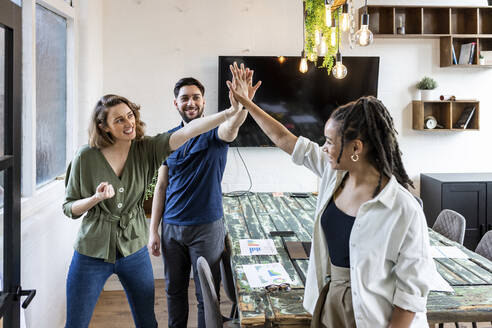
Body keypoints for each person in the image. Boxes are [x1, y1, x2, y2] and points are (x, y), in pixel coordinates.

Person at [227, 63, 438, 328]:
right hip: (330, 305)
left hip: (374, 318)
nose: (323, 148)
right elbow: (283, 138)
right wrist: (246, 103)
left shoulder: (403, 208)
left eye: (329, 141)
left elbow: (410, 297)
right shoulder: (334, 174)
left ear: (356, 148)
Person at [62, 93, 245, 328]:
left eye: (130, 116)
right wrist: (95, 198)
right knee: (75, 324)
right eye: (118, 120)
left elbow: (189, 131)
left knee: (147, 322)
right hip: (91, 252)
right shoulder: (85, 157)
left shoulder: (147, 149)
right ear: (103, 126)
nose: (129, 124)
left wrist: (230, 112)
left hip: (134, 250)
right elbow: (70, 208)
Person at [147, 66, 261, 328]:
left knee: (206, 297)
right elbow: (161, 186)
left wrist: (241, 105)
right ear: (175, 103)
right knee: (174, 293)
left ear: (204, 101)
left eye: (196, 97)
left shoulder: (216, 133)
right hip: (172, 230)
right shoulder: (169, 140)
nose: (191, 102)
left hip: (207, 229)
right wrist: (154, 230)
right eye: (185, 98)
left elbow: (232, 127)